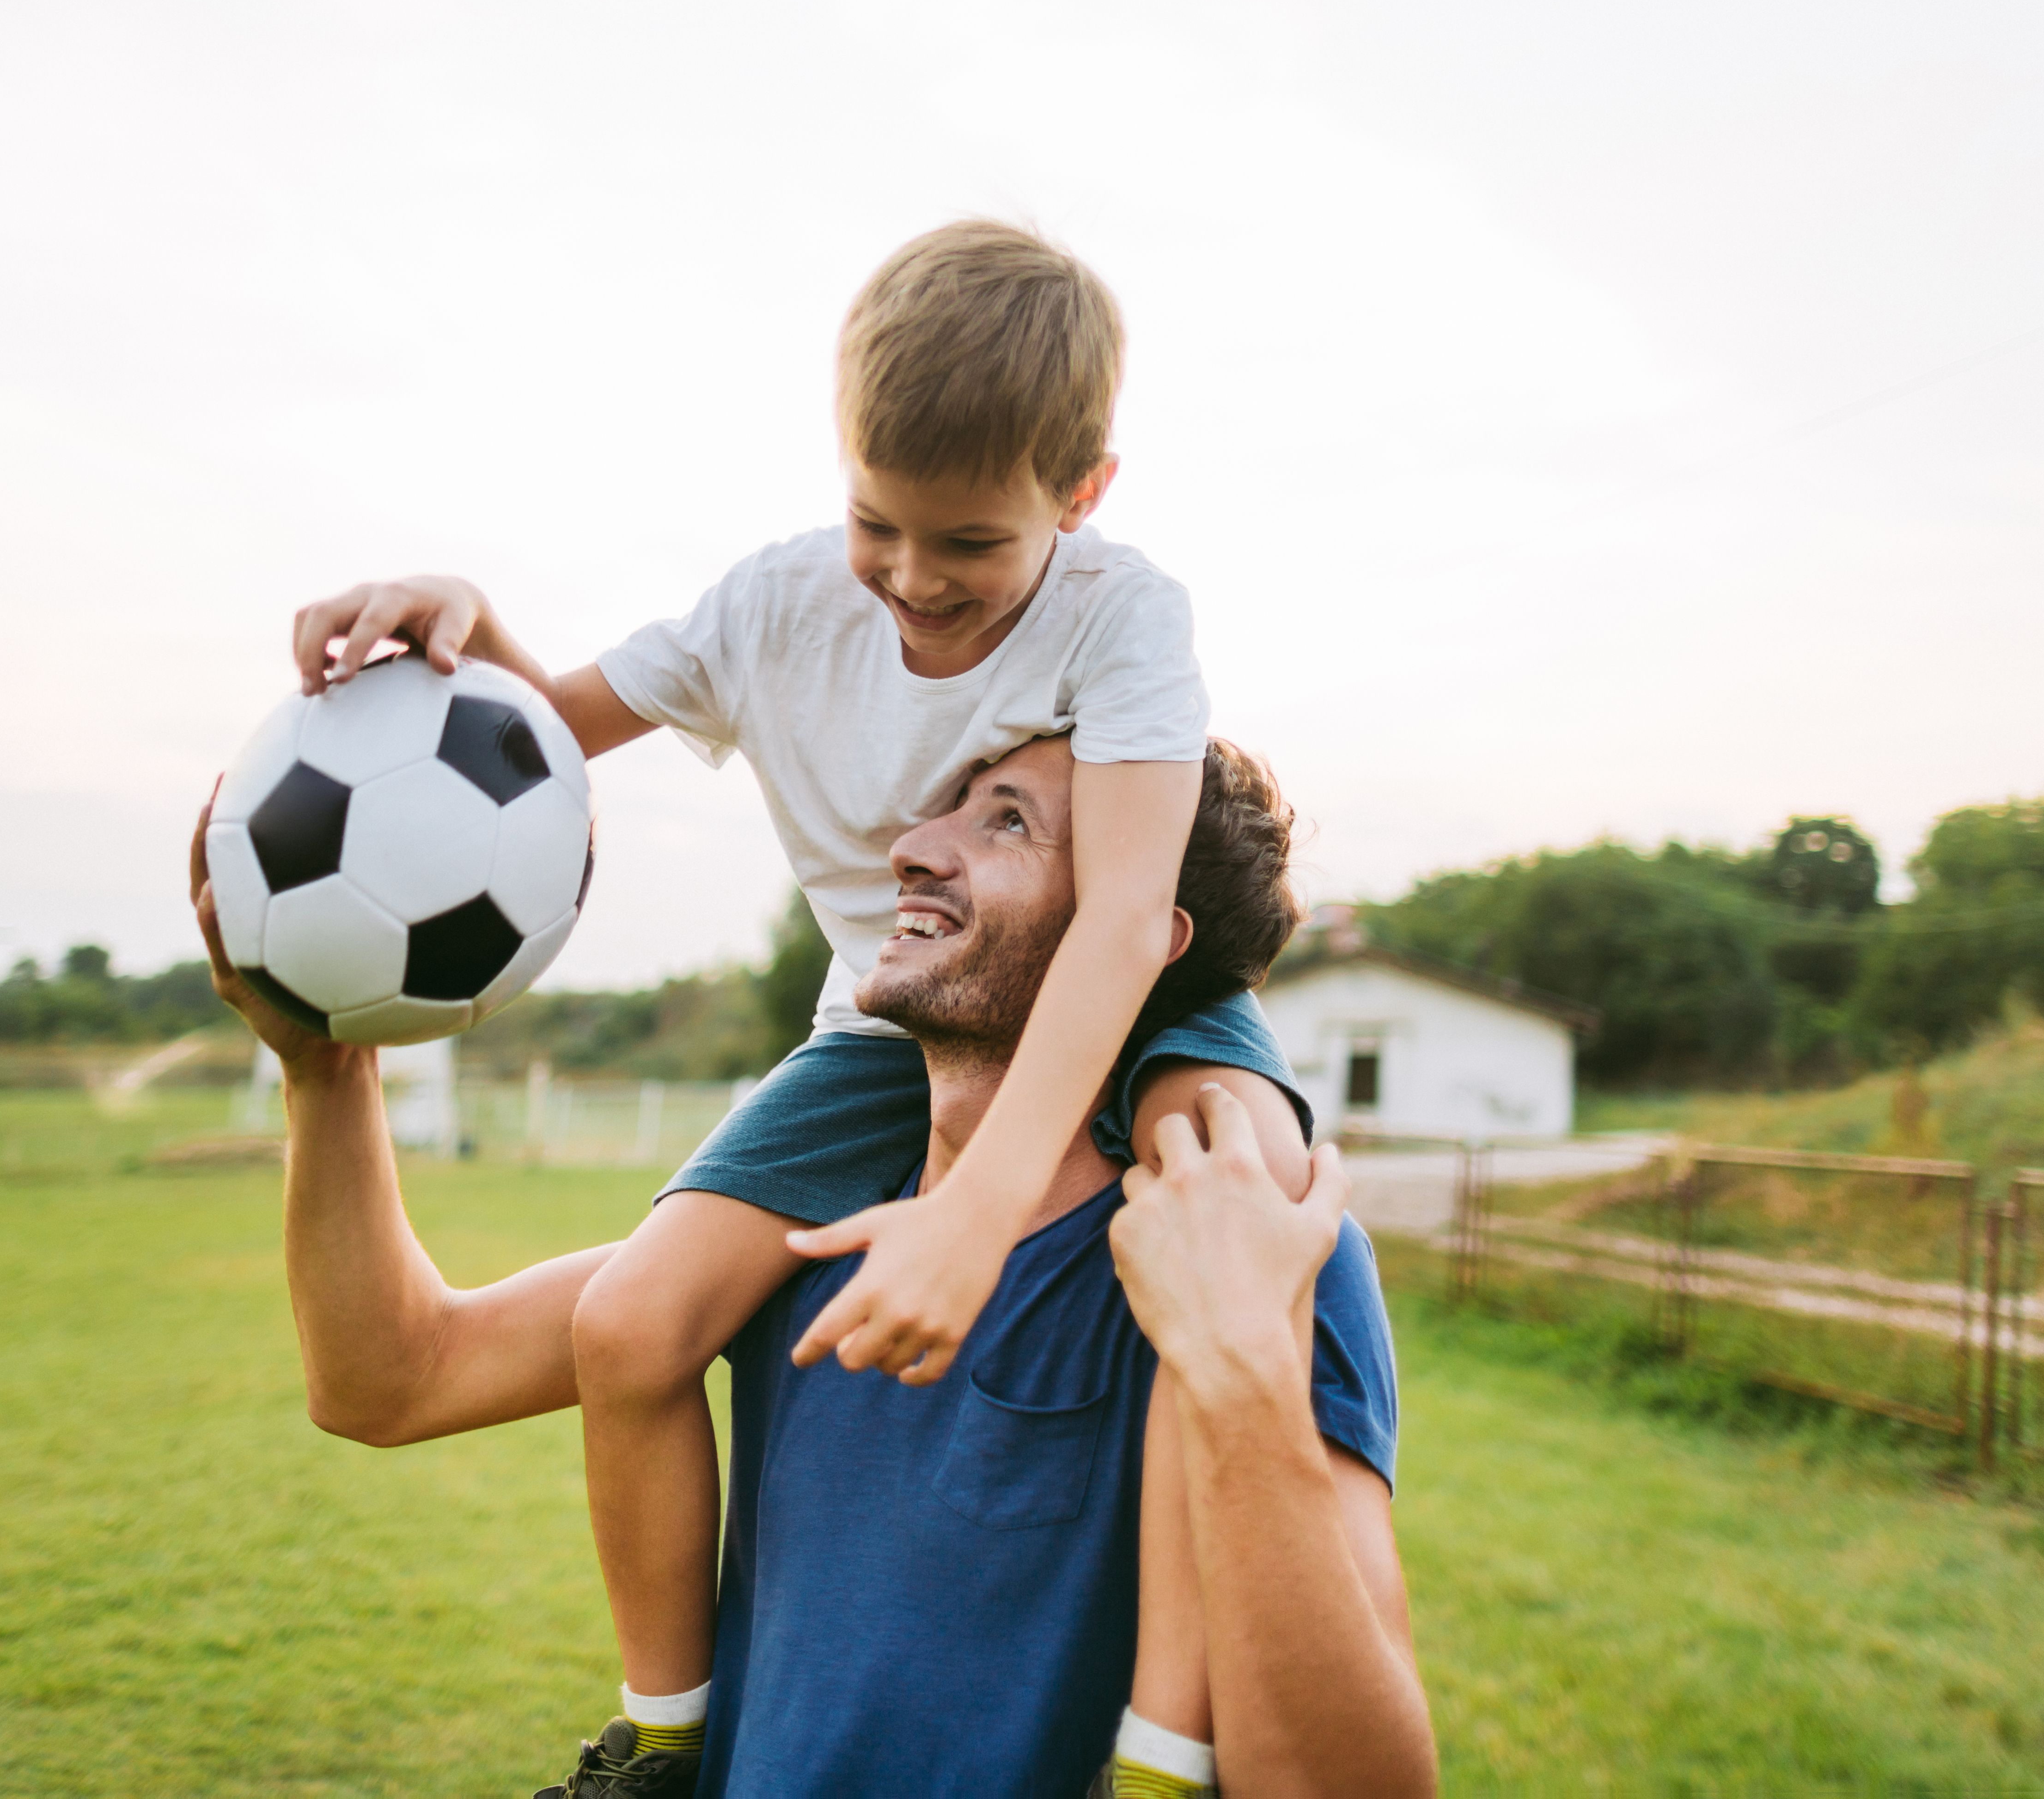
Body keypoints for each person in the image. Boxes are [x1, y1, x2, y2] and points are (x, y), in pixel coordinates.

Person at [282, 221, 1305, 1788]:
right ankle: (662, 1742)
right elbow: (529, 755)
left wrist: (982, 1218)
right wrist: (462, 624)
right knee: (631, 1326)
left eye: (970, 544)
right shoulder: (770, 613)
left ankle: (1167, 1757)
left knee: (1224, 1223)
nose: (912, 578)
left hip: (1140, 988)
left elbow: (1121, 918)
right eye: (875, 524)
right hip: (889, 1027)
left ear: (1081, 495)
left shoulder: (1124, 615)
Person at [189, 735, 1438, 1794]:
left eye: (1006, 824)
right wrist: (325, 1066)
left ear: (1129, 935)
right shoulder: (789, 1243)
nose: (914, 847)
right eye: (946, 802)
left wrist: (1241, 1374)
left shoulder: (1253, 1259)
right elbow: (387, 1380)